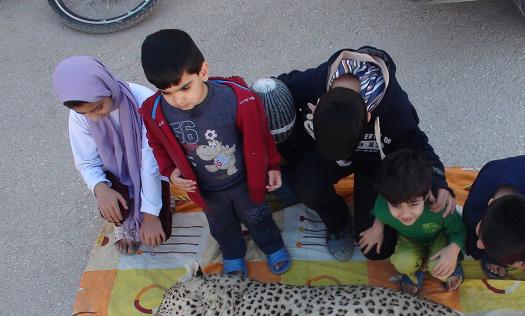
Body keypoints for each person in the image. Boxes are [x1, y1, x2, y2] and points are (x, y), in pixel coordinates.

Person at [276, 46, 456, 262]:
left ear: (368, 117)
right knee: (305, 185)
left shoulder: (395, 109)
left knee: (376, 250)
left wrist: (438, 181)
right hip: (329, 149)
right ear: (318, 106)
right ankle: (338, 220)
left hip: (376, 165)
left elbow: (417, 144)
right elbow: (276, 88)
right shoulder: (312, 84)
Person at [139, 29, 290, 277]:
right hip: (206, 190)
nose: (178, 99)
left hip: (245, 182)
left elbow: (261, 135)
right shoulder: (155, 113)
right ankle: (232, 253)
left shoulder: (237, 100)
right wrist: (170, 171)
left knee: (258, 216)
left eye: (185, 88)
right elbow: (156, 144)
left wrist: (272, 165)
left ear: (203, 71)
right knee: (221, 226)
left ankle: (272, 246)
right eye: (166, 93)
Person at [53, 55, 171, 255]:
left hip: (153, 167)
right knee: (112, 205)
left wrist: (151, 215)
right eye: (86, 113)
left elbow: (151, 162)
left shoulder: (142, 100)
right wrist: (100, 189)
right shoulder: (79, 116)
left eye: (99, 107)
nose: (95, 117)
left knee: (162, 230)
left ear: (108, 86)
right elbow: (87, 161)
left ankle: (161, 202)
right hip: (116, 174)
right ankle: (124, 221)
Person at [359, 150, 466, 294]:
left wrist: (452, 252)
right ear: (386, 199)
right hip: (411, 239)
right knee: (402, 263)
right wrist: (377, 228)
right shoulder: (383, 205)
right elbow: (380, 212)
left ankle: (454, 268)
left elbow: (459, 231)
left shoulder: (441, 206)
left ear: (427, 193)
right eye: (396, 205)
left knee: (440, 270)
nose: (405, 214)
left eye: (414, 204)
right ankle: (415, 273)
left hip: (440, 238)